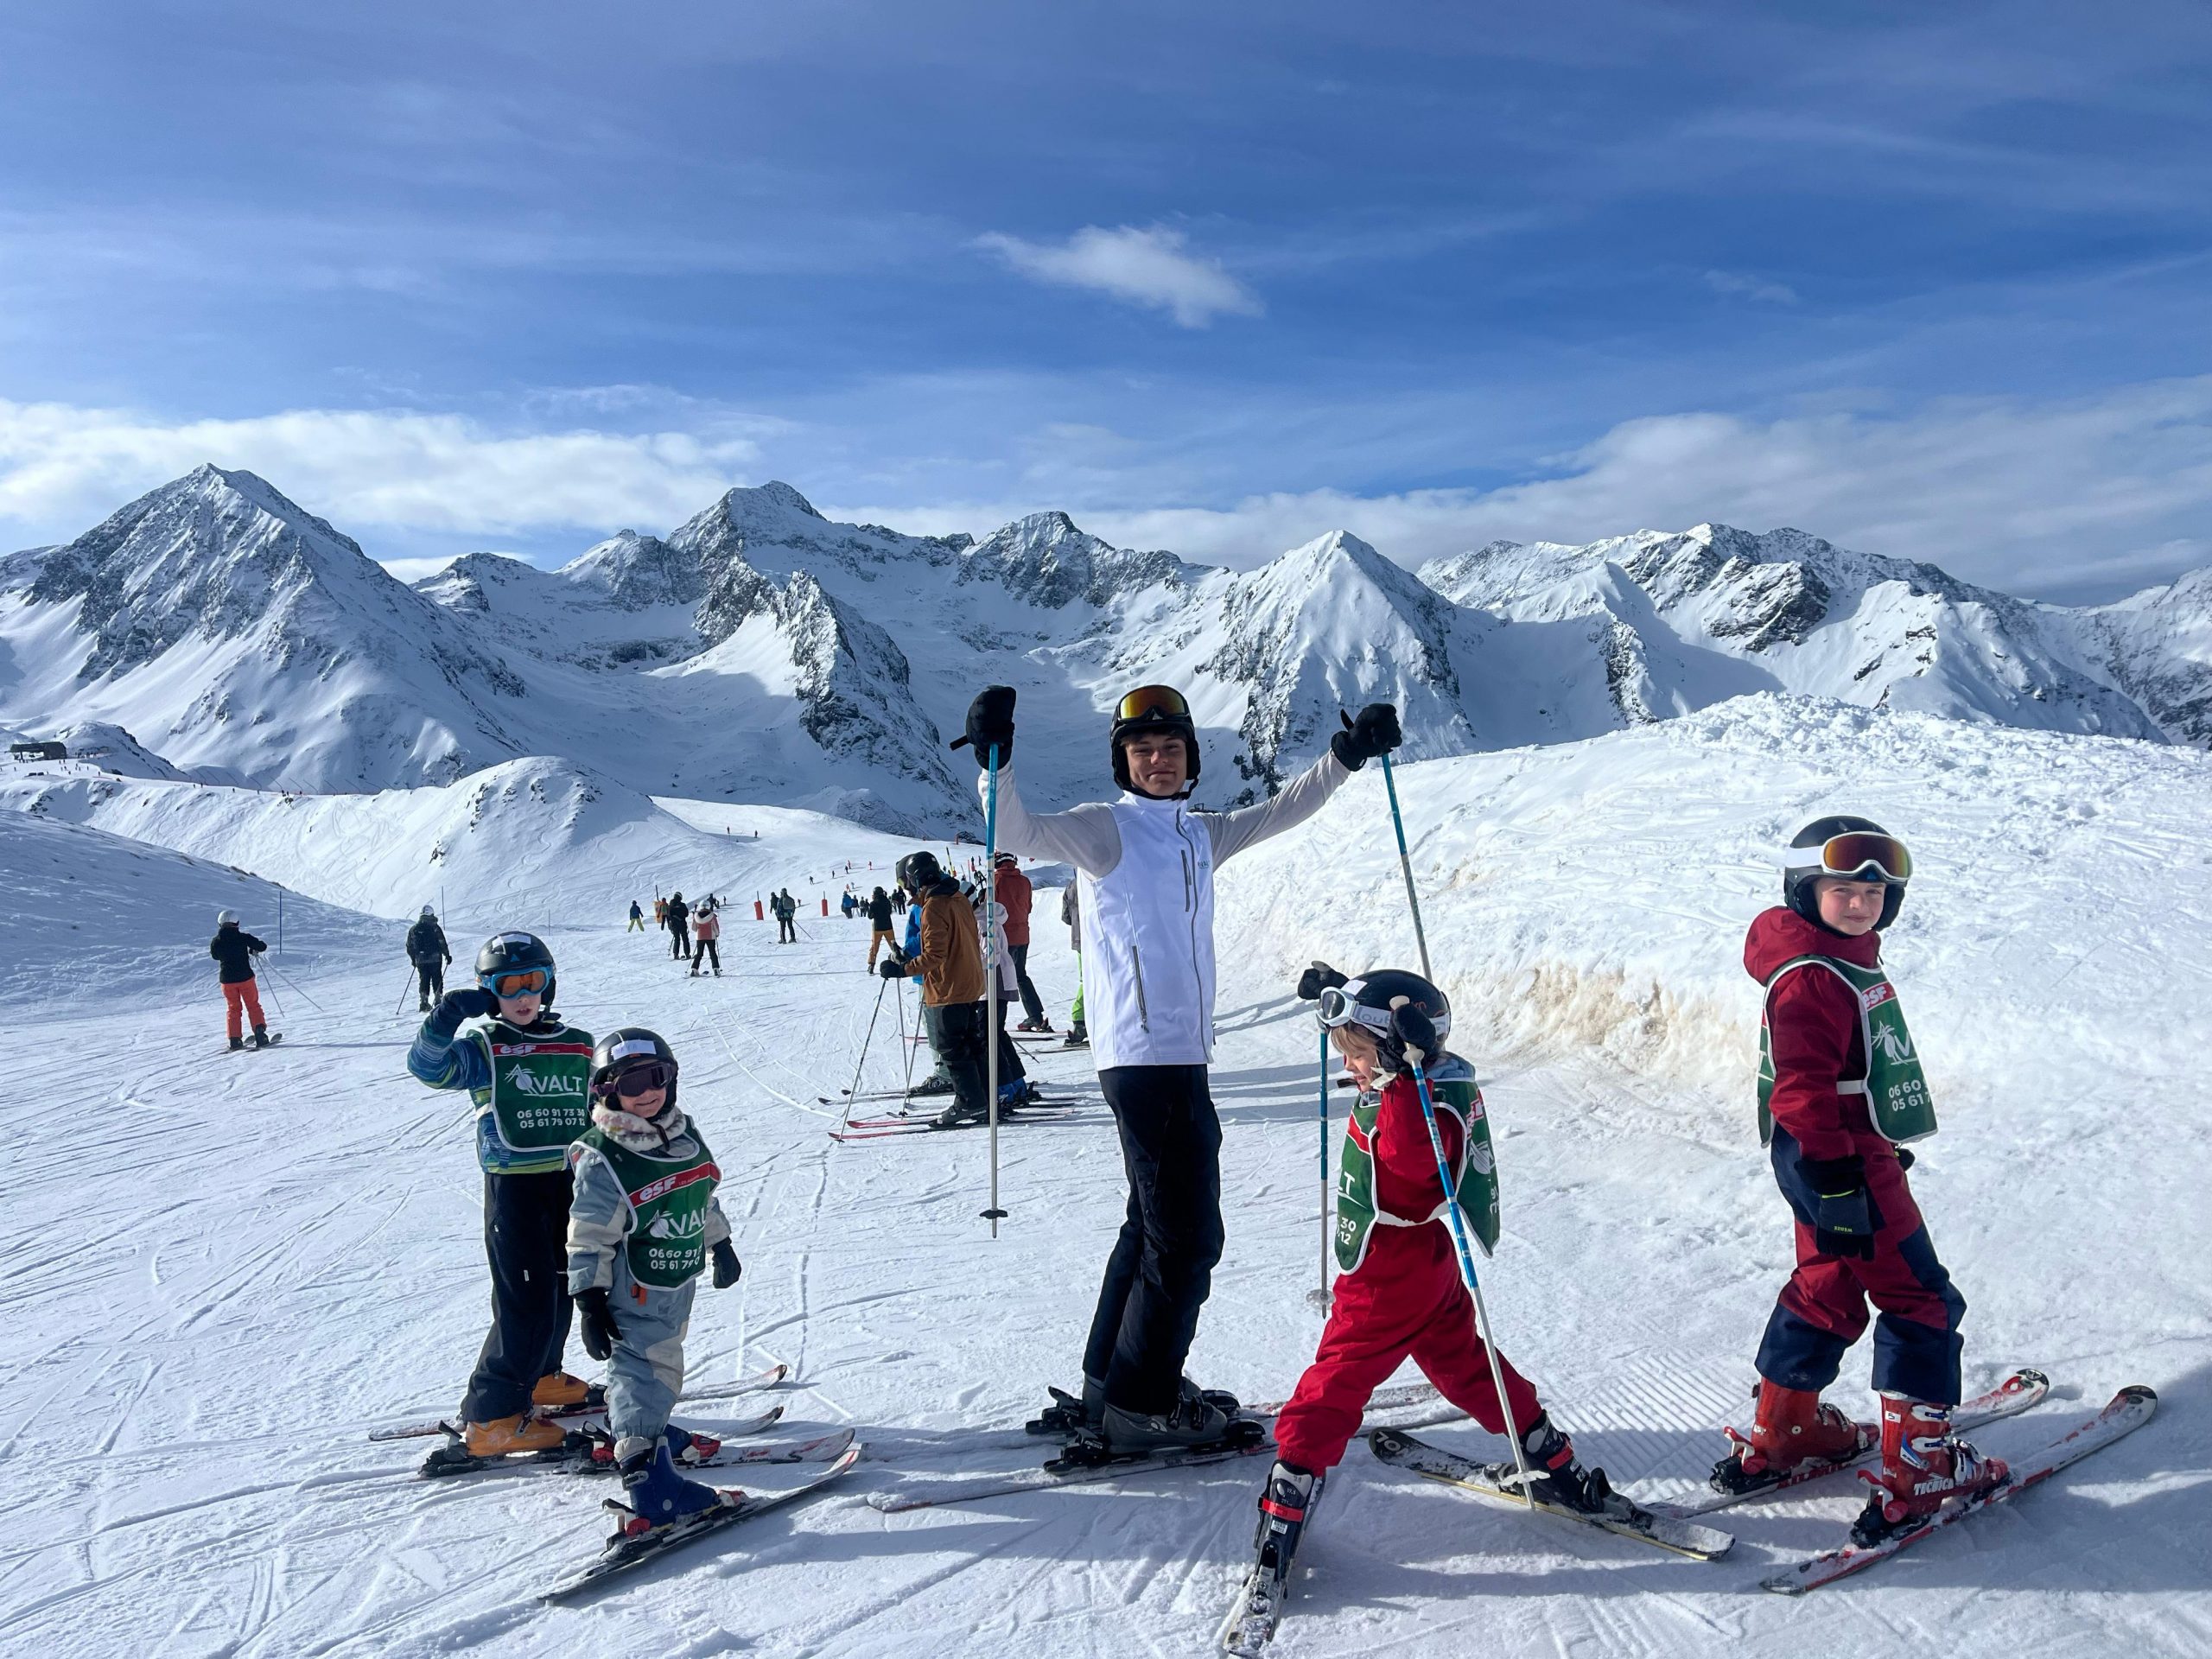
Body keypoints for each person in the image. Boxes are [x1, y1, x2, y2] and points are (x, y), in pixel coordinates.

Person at [961, 681, 1400, 1452]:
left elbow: (1281, 811)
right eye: (1143, 751)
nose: (1158, 761)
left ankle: (1112, 1380)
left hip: (1180, 1057)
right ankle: (1143, 1402)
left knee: (1153, 1224)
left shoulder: (1199, 834)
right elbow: (1017, 830)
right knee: (1188, 1237)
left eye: (1170, 749)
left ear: (1190, 757)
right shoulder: (1107, 832)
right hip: (1141, 1057)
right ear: (1123, 763)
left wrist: (1346, 756)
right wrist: (996, 759)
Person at [1244, 968, 1611, 1592]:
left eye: (1361, 1057)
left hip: (1390, 1273)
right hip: (1429, 1268)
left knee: (1338, 1374)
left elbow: (1410, 1161)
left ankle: (1293, 1481)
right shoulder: (1422, 1081)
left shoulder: (1419, 1101)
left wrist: (1404, 1078)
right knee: (1468, 1366)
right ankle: (1549, 1451)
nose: (1353, 1069)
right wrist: (1348, 987)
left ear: (1397, 1050)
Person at [1719, 817, 2005, 1545]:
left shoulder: (1826, 956)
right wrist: (1843, 1171)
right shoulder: (1813, 974)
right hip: (1834, 1152)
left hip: (1827, 1147)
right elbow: (1803, 1082)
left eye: (1875, 894)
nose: (1859, 904)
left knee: (1828, 1283)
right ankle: (1921, 1466)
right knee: (1920, 1298)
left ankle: (1784, 1431)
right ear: (1805, 889)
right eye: (1841, 889)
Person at [406, 933, 597, 1457]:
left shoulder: (577, 1043)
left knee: (565, 1287)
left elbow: (599, 1102)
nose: (521, 995)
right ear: (488, 990)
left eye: (531, 982)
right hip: (515, 1189)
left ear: (548, 984)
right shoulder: (484, 1049)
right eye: (507, 985)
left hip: (569, 1180)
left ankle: (540, 1377)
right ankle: (492, 1416)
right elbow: (427, 1067)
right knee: (526, 1301)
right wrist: (446, 1018)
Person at [566, 1027, 744, 1534]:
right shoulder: (606, 1156)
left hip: (673, 1281)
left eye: (658, 1077)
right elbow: (589, 1234)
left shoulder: (683, 1137)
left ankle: (650, 1429)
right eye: (631, 1083)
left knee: (660, 1364)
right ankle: (651, 1485)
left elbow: (700, 1198)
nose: (647, 1092)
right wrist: (590, 1299)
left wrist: (720, 1244)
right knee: (648, 1368)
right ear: (606, 1091)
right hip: (632, 1287)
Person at [882, 851, 990, 1129]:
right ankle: (983, 1098)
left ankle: (969, 1101)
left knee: (952, 1047)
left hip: (949, 986)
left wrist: (901, 969)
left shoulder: (935, 905)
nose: (906, 889)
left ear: (915, 880)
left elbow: (934, 956)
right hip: (969, 980)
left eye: (906, 883)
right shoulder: (957, 898)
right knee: (971, 1044)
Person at [995, 853, 1051, 1032]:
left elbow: (991, 908)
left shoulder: (995, 880)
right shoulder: (1025, 881)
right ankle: (1035, 1016)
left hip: (1003, 936)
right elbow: (1029, 907)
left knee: (997, 978)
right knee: (1020, 976)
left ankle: (994, 1021)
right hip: (1022, 935)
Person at [209, 909, 273, 1051]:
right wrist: (251, 950)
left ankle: (234, 1039)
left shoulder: (216, 942)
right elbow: (262, 946)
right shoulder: (243, 937)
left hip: (227, 981)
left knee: (233, 1009)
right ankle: (260, 1035)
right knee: (253, 1005)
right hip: (245, 978)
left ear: (220, 924)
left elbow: (215, 956)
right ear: (236, 923)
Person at [406, 904, 453, 1011]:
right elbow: (442, 942)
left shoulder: (414, 929)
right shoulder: (435, 927)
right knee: (437, 978)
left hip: (420, 960)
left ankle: (424, 1001)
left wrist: (414, 959)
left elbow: (409, 946)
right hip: (435, 959)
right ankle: (438, 1000)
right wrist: (447, 955)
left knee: (424, 979)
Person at [1060, 883, 1088, 1048]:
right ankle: (1080, 1021)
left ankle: (1082, 1021)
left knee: (1086, 979)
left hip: (1079, 940)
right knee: (1092, 980)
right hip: (1097, 939)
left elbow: (1065, 916)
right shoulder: (1096, 878)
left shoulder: (1071, 886)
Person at [865, 886, 898, 970]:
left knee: (875, 946)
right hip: (888, 926)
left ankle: (871, 965)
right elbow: (890, 911)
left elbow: (870, 916)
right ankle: (899, 960)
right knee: (893, 945)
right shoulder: (887, 901)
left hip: (877, 928)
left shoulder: (873, 904)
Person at [689, 898, 722, 976]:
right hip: (711, 937)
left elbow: (694, 928)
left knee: (699, 954)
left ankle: (694, 969)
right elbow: (715, 927)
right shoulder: (712, 916)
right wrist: (717, 934)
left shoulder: (696, 916)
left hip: (700, 937)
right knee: (712, 953)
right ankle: (716, 969)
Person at [665, 891, 691, 961]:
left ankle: (676, 954)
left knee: (677, 939)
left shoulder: (670, 906)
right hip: (682, 923)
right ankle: (687, 954)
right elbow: (686, 914)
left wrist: (669, 925)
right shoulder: (682, 905)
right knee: (685, 939)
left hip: (674, 925)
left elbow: (668, 916)